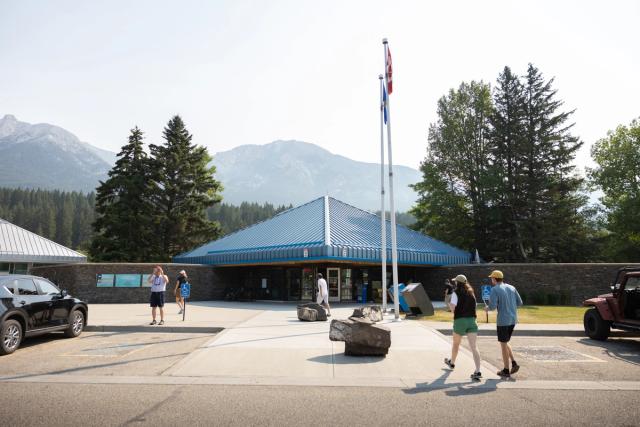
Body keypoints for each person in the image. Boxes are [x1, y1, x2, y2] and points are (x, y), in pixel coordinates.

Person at [444, 274, 483, 381]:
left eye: (455, 281)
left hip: (460, 320)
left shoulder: (455, 293)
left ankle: (452, 363)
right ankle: (478, 370)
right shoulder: (471, 292)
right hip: (472, 321)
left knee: (456, 344)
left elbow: (452, 307)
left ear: (457, 283)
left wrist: (456, 313)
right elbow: (474, 306)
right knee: (474, 347)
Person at [484, 270, 523, 378]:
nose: (491, 279)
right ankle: (514, 363)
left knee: (503, 345)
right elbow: (520, 303)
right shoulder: (512, 287)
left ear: (494, 279)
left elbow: (491, 307)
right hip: (513, 320)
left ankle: (506, 370)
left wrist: (487, 308)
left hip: (503, 321)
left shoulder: (495, 289)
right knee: (504, 342)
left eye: (491, 278)